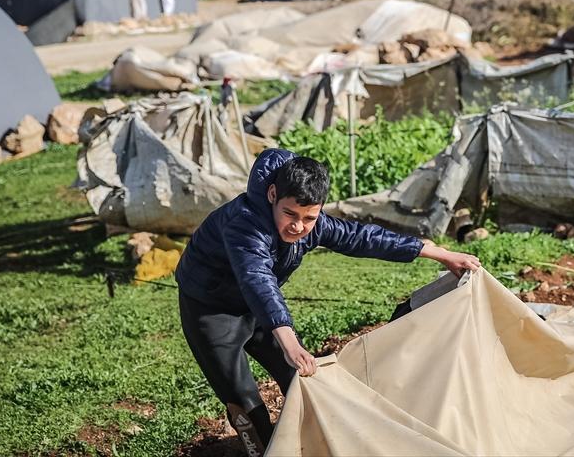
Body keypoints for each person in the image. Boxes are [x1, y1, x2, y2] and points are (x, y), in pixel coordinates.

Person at [175, 148, 481, 456]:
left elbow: (363, 237)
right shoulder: (245, 224)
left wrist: (438, 253)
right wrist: (288, 339)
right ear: (271, 195)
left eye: (309, 218)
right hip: (211, 311)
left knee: (301, 379)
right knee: (244, 402)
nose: (298, 226)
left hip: (261, 310)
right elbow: (257, 279)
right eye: (290, 214)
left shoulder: (314, 223)